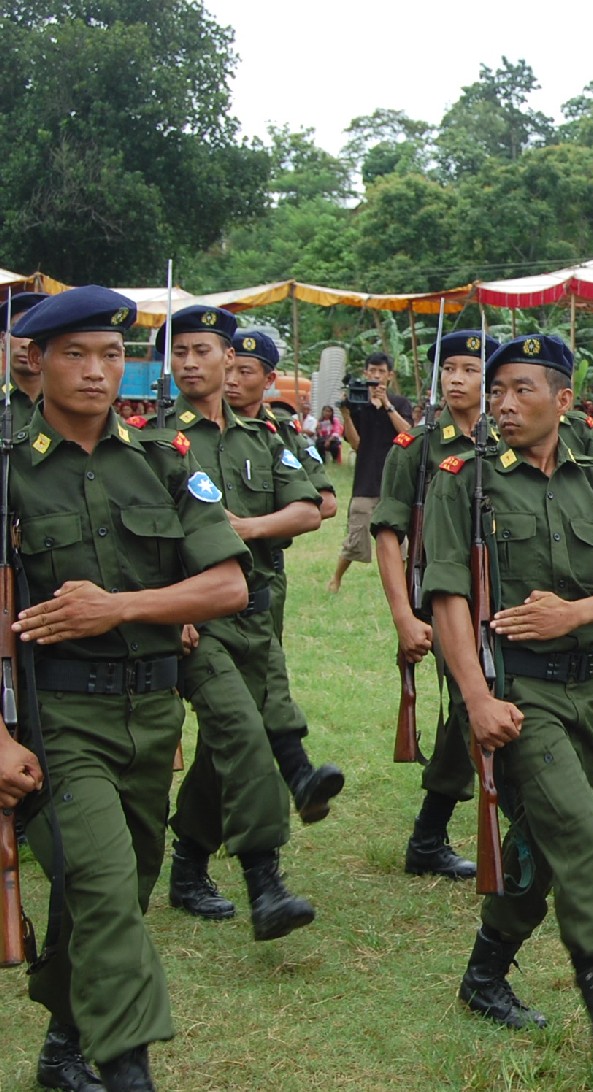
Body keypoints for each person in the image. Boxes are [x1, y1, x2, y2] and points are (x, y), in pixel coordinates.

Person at [423, 333, 593, 1079]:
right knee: (578, 833)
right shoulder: (462, 480)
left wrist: (576, 612)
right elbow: (446, 598)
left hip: (584, 690)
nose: (502, 404)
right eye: (496, 390)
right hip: (514, 689)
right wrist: (475, 698)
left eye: (522, 390)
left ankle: (484, 972)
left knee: (538, 846)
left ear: (563, 400)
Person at [9, 286, 251, 1091]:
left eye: (110, 355)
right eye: (74, 354)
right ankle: (129, 1072)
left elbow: (224, 589)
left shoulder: (165, 460)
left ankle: (63, 1043)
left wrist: (120, 606)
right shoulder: (10, 475)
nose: (94, 371)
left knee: (121, 890)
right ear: (34, 361)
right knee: (105, 890)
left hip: (150, 713)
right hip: (55, 718)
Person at [155, 306, 328, 944]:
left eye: (203, 350)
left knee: (223, 746)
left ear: (231, 360)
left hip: (256, 613)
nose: (190, 363)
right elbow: (143, 545)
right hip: (194, 623)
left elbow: (309, 508)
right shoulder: (153, 441)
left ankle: (189, 864)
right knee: (243, 735)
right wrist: (174, 610)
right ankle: (265, 881)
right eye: (181, 353)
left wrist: (250, 528)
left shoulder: (262, 437)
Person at [369, 329, 500, 882]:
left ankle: (429, 837)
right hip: (441, 600)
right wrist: (403, 615)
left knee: (493, 702)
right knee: (474, 705)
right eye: (448, 369)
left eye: (469, 369)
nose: (455, 379)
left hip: (505, 598)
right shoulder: (418, 447)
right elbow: (388, 533)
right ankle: (433, 830)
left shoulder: (507, 442)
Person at [220, 329, 348, 822]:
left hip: (262, 579)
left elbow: (323, 503)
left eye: (245, 372)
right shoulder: (188, 431)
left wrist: (255, 524)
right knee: (249, 699)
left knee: (255, 694)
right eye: (228, 367)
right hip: (200, 585)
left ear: (269, 380)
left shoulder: (279, 433)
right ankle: (296, 773)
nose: (232, 380)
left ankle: (196, 853)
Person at [328, 352, 414, 592]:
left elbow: (407, 434)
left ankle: (403, 586)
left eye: (381, 371)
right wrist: (345, 413)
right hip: (365, 482)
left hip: (395, 483)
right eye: (372, 371)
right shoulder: (358, 405)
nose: (376, 376)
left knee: (400, 540)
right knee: (356, 537)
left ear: (390, 375)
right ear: (365, 373)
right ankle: (336, 578)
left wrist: (386, 404)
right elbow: (356, 444)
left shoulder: (400, 404)